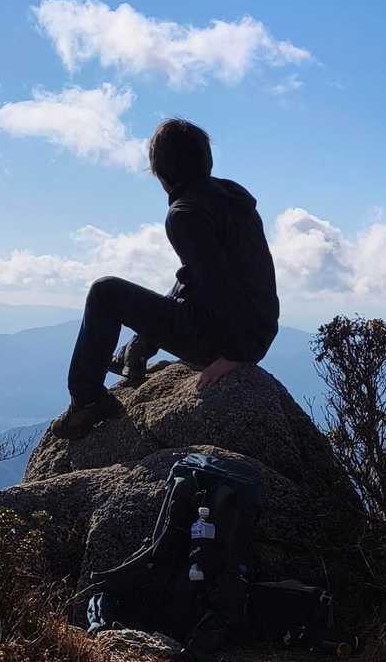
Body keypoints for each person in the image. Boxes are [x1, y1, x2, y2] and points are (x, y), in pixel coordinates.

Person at [61, 119, 280, 439]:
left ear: (159, 171)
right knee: (158, 295)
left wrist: (236, 354)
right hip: (259, 326)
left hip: (230, 339)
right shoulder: (231, 198)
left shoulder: (185, 214)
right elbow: (204, 278)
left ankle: (87, 400)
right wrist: (146, 337)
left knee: (104, 292)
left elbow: (220, 288)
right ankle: (135, 352)